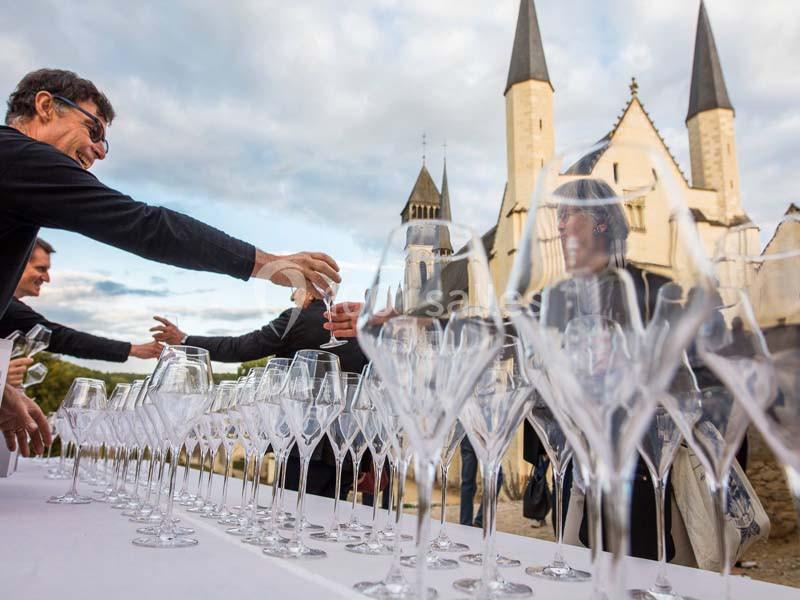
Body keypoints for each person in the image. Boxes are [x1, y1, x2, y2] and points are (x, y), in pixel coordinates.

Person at [0, 68, 340, 453]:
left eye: (104, 143)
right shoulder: (18, 157)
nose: (98, 150)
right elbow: (146, 225)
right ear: (45, 106)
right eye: (93, 130)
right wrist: (273, 266)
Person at [151, 288, 369, 498]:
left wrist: (184, 339)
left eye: (295, 290)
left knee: (291, 510)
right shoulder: (357, 325)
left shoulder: (297, 318)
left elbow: (241, 347)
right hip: (348, 442)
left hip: (298, 439)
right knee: (326, 519)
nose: (293, 296)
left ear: (309, 290)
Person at [0, 238, 163, 362]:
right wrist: (133, 349)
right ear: (16, 262)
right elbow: (60, 338)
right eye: (41, 269)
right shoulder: (9, 309)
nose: (47, 278)